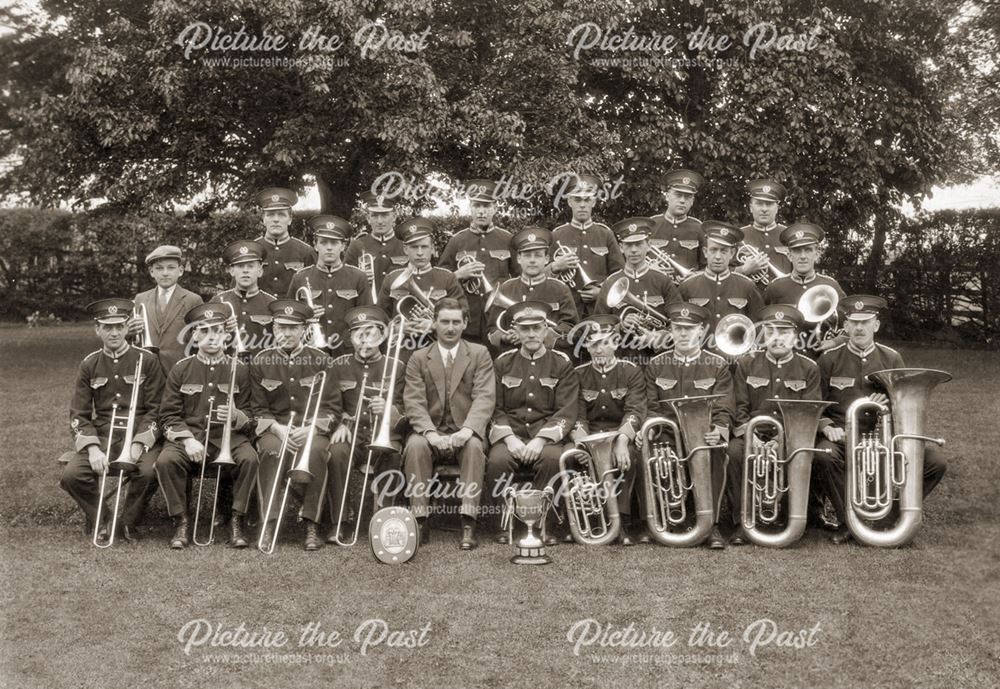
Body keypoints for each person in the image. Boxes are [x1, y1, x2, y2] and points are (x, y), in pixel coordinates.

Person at [814, 295, 948, 544]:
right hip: (842, 435)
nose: (859, 328)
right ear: (845, 326)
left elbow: (904, 403)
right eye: (854, 322)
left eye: (866, 322)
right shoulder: (829, 359)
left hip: (881, 435)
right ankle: (850, 522)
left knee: (935, 462)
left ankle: (889, 517)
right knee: (823, 454)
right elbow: (817, 404)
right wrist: (826, 426)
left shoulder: (891, 358)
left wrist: (887, 406)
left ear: (876, 325)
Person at [154, 304, 259, 549]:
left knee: (250, 459)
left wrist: (237, 416)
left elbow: (253, 415)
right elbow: (168, 415)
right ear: (195, 335)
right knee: (165, 461)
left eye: (218, 331)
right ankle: (181, 520)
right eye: (205, 331)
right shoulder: (181, 369)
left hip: (228, 438)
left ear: (226, 335)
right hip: (190, 437)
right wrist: (187, 440)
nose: (212, 336)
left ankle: (236, 519)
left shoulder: (240, 369)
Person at [61, 299, 163, 543]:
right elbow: (79, 413)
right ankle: (105, 518)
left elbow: (157, 409)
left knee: (149, 471)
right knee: (71, 476)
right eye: (107, 327)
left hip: (139, 433)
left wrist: (140, 442)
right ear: (98, 330)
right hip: (104, 436)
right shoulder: (89, 364)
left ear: (128, 327)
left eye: (119, 326)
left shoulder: (146, 360)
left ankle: (129, 521)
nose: (114, 332)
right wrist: (93, 449)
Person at [403, 298, 497, 549]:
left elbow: (485, 397)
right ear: (434, 324)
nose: (450, 327)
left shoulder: (479, 354)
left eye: (456, 322)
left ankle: (468, 522)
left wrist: (467, 430)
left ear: (465, 324)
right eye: (444, 321)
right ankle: (420, 520)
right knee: (415, 446)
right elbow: (413, 402)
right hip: (431, 432)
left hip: (465, 430)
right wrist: (430, 433)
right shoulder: (419, 357)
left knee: (475, 448)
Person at [250, 299, 343, 551]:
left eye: (293, 328)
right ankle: (268, 523)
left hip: (311, 429)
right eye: (281, 328)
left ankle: (312, 524)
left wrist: (311, 428)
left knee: (316, 452)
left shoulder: (321, 360)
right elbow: (257, 408)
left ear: (304, 330)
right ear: (273, 329)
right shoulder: (260, 361)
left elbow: (333, 407)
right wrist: (277, 429)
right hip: (276, 430)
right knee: (270, 452)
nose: (287, 333)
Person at [725, 305, 821, 545]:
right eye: (771, 331)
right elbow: (740, 406)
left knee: (798, 454)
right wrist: (749, 434)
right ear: (764, 335)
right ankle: (742, 522)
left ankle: (790, 517)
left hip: (790, 436)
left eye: (784, 332)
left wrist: (783, 439)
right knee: (734, 454)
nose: (777, 337)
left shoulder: (809, 368)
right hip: (752, 433)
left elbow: (808, 412)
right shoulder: (746, 364)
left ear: (796, 336)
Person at [486, 301, 580, 545]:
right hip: (511, 435)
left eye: (536, 328)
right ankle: (503, 522)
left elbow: (566, 410)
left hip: (545, 436)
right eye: (524, 328)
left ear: (546, 330)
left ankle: (543, 523)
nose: (530, 334)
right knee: (497, 460)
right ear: (515, 330)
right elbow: (493, 407)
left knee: (552, 459)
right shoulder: (502, 363)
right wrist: (509, 439)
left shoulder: (562, 363)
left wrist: (540, 440)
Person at [644, 302, 734, 549]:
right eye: (678, 328)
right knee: (659, 454)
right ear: (671, 331)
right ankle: (672, 516)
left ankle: (711, 524)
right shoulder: (656, 364)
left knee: (716, 454)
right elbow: (651, 407)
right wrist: (652, 429)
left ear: (701, 331)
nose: (683, 333)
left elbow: (724, 405)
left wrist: (720, 428)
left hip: (704, 434)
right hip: (668, 433)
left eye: (689, 328)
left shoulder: (717, 364)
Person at [326, 306, 406, 543]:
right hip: (351, 432)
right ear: (350, 338)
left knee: (391, 454)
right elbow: (329, 403)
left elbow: (407, 406)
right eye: (359, 335)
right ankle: (339, 521)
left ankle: (383, 520)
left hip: (384, 431)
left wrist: (390, 410)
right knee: (337, 453)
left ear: (382, 337)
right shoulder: (338, 365)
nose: (365, 341)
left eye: (372, 334)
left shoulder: (397, 366)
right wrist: (339, 424)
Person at [568, 315, 645, 545]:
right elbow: (576, 415)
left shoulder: (631, 371)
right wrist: (582, 444)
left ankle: (620, 521)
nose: (599, 349)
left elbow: (635, 410)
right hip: (588, 436)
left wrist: (622, 441)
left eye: (604, 343)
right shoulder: (578, 374)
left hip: (618, 433)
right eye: (593, 344)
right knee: (572, 458)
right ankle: (582, 520)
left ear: (616, 344)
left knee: (628, 456)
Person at [437, 179, 516, 345]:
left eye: (486, 206)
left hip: (498, 316)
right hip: (468, 317)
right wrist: (459, 274)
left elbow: (519, 277)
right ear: (470, 208)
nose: (481, 212)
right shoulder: (457, 241)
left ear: (495, 208)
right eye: (477, 206)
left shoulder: (507, 239)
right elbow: (439, 280)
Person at [595, 217, 682, 363]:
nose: (634, 250)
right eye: (628, 245)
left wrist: (657, 337)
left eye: (638, 244)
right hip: (622, 359)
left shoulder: (663, 280)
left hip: (659, 360)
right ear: (621, 247)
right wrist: (621, 326)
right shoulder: (610, 283)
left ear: (648, 245)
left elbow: (679, 322)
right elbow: (598, 327)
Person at [378, 217, 467, 353]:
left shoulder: (447, 277)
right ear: (405, 249)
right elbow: (379, 319)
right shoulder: (391, 279)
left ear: (432, 248)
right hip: (401, 350)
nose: (419, 253)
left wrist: (434, 325)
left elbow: (464, 315)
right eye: (414, 247)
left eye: (424, 247)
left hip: (438, 350)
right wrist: (396, 327)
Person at [287, 214, 373, 355]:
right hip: (310, 351)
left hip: (347, 351)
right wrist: (306, 317)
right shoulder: (300, 277)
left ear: (343, 246)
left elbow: (366, 320)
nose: (329, 248)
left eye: (334, 243)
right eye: (324, 242)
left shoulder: (358, 277)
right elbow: (289, 318)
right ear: (315, 245)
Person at [485, 226, 578, 355]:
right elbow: (492, 330)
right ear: (518, 258)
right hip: (513, 359)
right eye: (527, 255)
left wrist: (541, 336)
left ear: (546, 259)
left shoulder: (560, 289)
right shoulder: (506, 288)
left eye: (538, 255)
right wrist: (506, 337)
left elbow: (571, 327)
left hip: (550, 359)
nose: (532, 260)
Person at [763, 223, 847, 358]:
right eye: (797, 251)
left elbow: (849, 322)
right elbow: (763, 324)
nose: (803, 256)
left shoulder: (830, 285)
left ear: (817, 254)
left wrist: (835, 341)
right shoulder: (775, 287)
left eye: (808, 250)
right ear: (789, 255)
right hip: (786, 359)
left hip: (821, 359)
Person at [549, 173, 624, 318]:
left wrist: (602, 292)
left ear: (594, 202)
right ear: (570, 201)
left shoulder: (606, 234)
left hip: (600, 309)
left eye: (587, 199)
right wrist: (555, 266)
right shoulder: (557, 235)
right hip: (567, 311)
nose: (582, 205)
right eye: (577, 199)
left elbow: (619, 274)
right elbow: (544, 277)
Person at [678, 221, 763, 347]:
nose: (718, 256)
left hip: (736, 359)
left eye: (723, 251)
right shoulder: (687, 286)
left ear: (732, 253)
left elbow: (758, 326)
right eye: (713, 250)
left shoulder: (747, 286)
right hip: (701, 357)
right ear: (705, 252)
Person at [129, 245, 203, 373]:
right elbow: (132, 340)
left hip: (181, 372)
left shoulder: (193, 300)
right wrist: (129, 332)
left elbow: (201, 341)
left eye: (171, 268)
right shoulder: (140, 299)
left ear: (180, 270)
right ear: (152, 272)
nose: (165, 273)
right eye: (159, 268)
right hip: (148, 373)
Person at [210, 239, 277, 356]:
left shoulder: (272, 304)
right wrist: (221, 330)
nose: (245, 271)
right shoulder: (218, 301)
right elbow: (204, 340)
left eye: (251, 266)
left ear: (260, 271)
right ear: (232, 271)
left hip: (260, 368)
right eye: (240, 266)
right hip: (226, 368)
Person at [344, 190, 407, 301]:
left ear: (394, 217)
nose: (379, 221)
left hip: (397, 308)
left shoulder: (405, 244)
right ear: (368, 218)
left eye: (384, 215)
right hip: (368, 307)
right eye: (375, 216)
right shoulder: (357, 245)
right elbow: (345, 281)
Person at [254, 187, 315, 297]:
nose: (276, 219)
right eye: (270, 214)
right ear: (263, 219)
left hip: (293, 313)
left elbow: (314, 290)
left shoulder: (306, 252)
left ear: (290, 219)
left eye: (281, 214)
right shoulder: (252, 250)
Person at [647, 169, 705, 277]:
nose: (682, 200)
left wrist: (695, 276)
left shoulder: (699, 228)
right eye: (678, 195)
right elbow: (633, 262)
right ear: (667, 196)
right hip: (656, 289)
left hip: (687, 290)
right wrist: (649, 269)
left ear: (692, 201)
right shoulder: (651, 225)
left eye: (687, 197)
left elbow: (707, 267)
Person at [734, 179, 791, 285]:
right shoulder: (738, 236)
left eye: (769, 204)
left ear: (777, 208)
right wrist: (743, 270)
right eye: (759, 204)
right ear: (751, 208)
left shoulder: (789, 235)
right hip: (749, 299)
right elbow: (724, 272)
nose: (764, 209)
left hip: (782, 298)